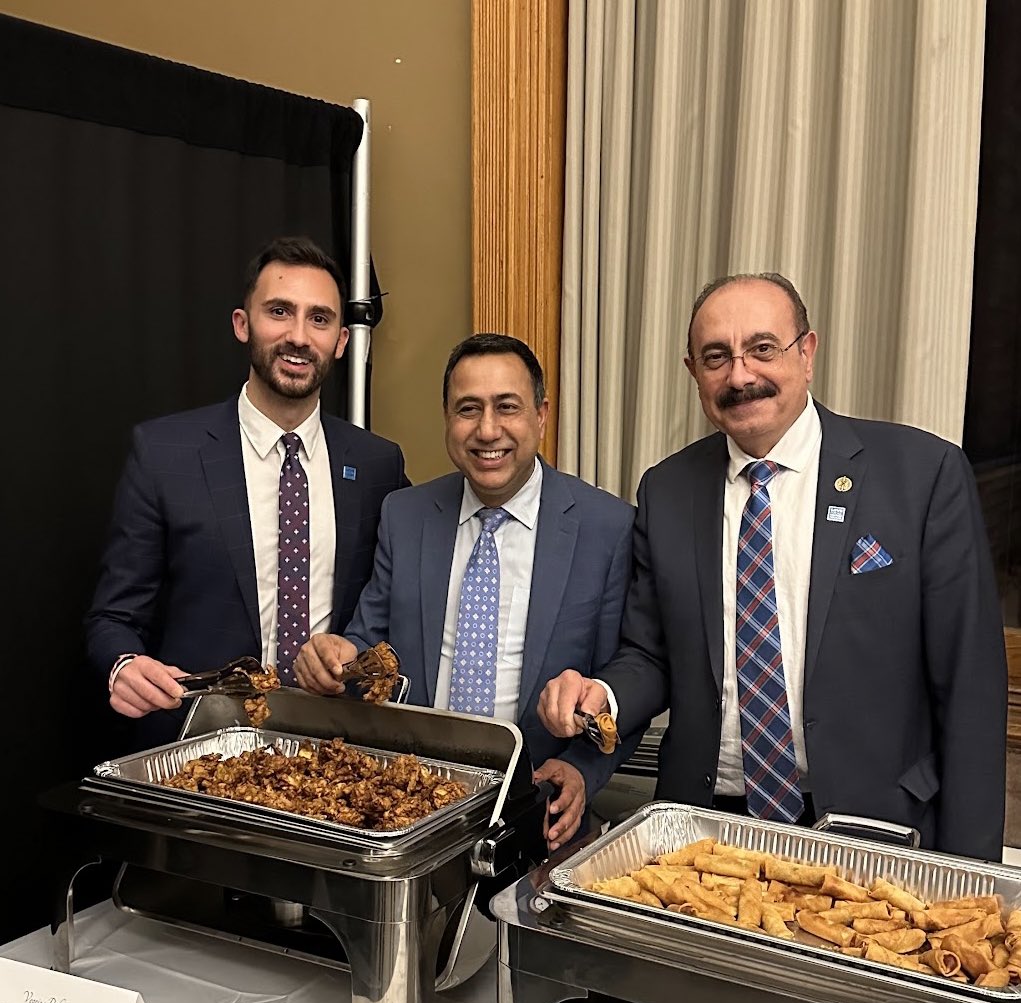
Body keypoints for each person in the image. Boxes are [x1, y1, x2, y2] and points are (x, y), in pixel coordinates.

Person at [537, 272, 1007, 862]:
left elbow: (969, 683)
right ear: (694, 373)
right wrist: (602, 694)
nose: (740, 376)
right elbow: (652, 653)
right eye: (716, 358)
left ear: (807, 353)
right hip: (707, 835)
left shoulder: (920, 475)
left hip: (875, 832)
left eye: (763, 349)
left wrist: (972, 874)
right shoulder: (668, 489)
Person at [295, 333, 638, 850]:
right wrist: (337, 659)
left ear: (542, 415)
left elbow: (625, 676)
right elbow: (368, 642)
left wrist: (582, 771)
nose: (488, 430)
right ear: (447, 420)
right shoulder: (405, 515)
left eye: (507, 407)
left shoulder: (606, 527)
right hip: (409, 809)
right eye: (468, 409)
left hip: (536, 810)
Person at [85, 236, 408, 748]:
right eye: (279, 312)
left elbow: (404, 600)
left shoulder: (376, 465)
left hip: (337, 757)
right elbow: (113, 618)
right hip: (200, 755)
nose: (298, 336)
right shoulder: (165, 453)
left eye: (319, 319)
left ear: (342, 341)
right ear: (243, 324)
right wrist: (122, 665)